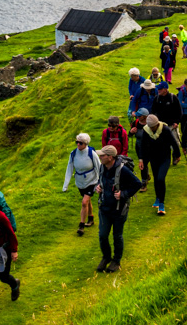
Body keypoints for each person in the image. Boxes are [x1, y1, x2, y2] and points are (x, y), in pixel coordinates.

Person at [95, 144, 142, 272]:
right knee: (103, 235)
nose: (100, 157)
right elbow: (101, 181)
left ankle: (116, 260)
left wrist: (124, 194)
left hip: (119, 209)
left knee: (117, 236)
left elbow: (137, 183)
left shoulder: (123, 170)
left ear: (110, 157)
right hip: (104, 207)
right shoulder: (102, 167)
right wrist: (98, 187)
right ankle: (106, 257)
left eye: (102, 155)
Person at [63, 132, 101, 235]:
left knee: (84, 202)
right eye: (77, 142)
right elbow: (69, 169)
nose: (78, 145)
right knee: (87, 201)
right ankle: (91, 218)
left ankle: (81, 226)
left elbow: (99, 167)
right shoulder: (73, 153)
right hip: (80, 182)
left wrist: (100, 182)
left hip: (91, 181)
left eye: (80, 143)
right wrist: (65, 185)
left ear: (86, 143)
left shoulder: (91, 153)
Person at [139, 115, 175, 215]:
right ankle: (157, 198)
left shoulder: (165, 129)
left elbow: (173, 142)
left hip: (165, 158)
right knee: (156, 178)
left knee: (160, 178)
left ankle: (162, 204)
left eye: (153, 127)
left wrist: (177, 154)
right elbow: (143, 146)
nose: (151, 129)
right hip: (153, 158)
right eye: (150, 127)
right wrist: (141, 159)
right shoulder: (146, 131)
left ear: (157, 124)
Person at [150, 81, 182, 164]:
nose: (158, 90)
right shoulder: (156, 98)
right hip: (160, 125)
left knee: (175, 142)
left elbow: (179, 111)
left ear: (165, 89)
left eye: (160, 89)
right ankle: (164, 158)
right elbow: (153, 111)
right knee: (162, 143)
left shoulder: (173, 97)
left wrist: (177, 122)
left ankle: (175, 156)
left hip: (172, 125)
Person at [129, 107, 150, 190]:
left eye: (139, 116)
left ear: (145, 116)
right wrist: (131, 132)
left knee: (147, 162)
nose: (137, 117)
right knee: (143, 164)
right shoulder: (136, 123)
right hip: (139, 146)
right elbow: (129, 134)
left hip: (150, 147)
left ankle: (145, 178)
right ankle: (144, 182)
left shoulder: (150, 123)